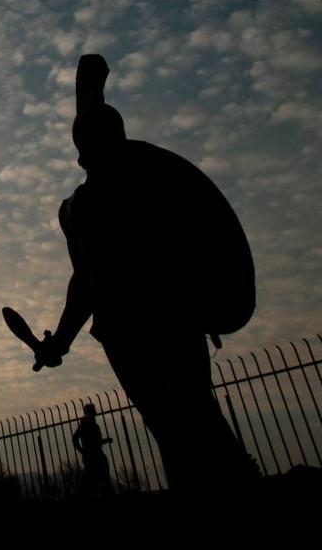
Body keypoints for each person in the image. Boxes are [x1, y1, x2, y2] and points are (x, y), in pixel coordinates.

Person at [34, 54, 255, 492]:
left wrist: (63, 339)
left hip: (164, 320)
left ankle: (233, 495)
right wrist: (61, 339)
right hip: (137, 327)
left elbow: (86, 285)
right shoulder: (83, 209)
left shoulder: (119, 197)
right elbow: (85, 282)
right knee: (179, 422)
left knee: (186, 419)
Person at [71, 403, 113, 495]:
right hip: (91, 456)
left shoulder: (95, 426)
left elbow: (96, 441)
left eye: (94, 410)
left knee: (100, 477)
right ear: (88, 412)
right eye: (93, 410)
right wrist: (82, 450)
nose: (95, 412)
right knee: (91, 478)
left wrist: (106, 440)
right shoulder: (84, 425)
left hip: (98, 453)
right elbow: (75, 438)